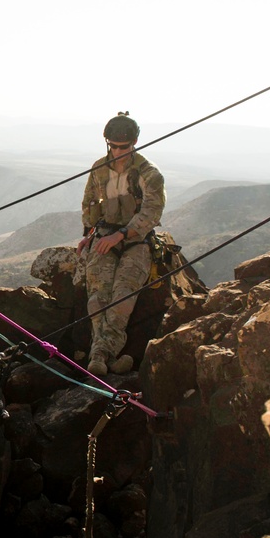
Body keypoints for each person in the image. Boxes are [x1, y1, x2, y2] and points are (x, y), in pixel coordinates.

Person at [76, 112, 166, 376]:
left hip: (136, 239)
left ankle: (98, 356)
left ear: (135, 142)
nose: (117, 151)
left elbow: (152, 211)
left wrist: (121, 235)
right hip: (104, 235)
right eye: (113, 146)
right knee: (98, 297)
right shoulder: (99, 169)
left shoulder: (149, 174)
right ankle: (108, 357)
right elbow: (89, 204)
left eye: (123, 147)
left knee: (123, 296)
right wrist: (88, 234)